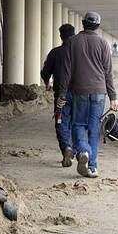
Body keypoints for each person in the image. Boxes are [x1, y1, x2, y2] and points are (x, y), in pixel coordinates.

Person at [58, 11, 118, 178]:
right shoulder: (103, 44)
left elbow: (66, 72)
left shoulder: (72, 42)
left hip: (80, 92)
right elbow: (108, 72)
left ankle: (83, 150)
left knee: (77, 125)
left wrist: (62, 94)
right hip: (100, 92)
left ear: (83, 23)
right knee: (94, 129)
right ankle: (92, 167)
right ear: (98, 26)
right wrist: (113, 97)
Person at [41, 24, 75, 167]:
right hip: (80, 95)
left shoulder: (55, 52)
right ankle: (75, 150)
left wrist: (47, 83)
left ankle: (66, 148)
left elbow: (45, 72)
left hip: (62, 95)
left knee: (61, 122)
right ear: (74, 35)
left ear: (61, 36)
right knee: (76, 124)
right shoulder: (80, 53)